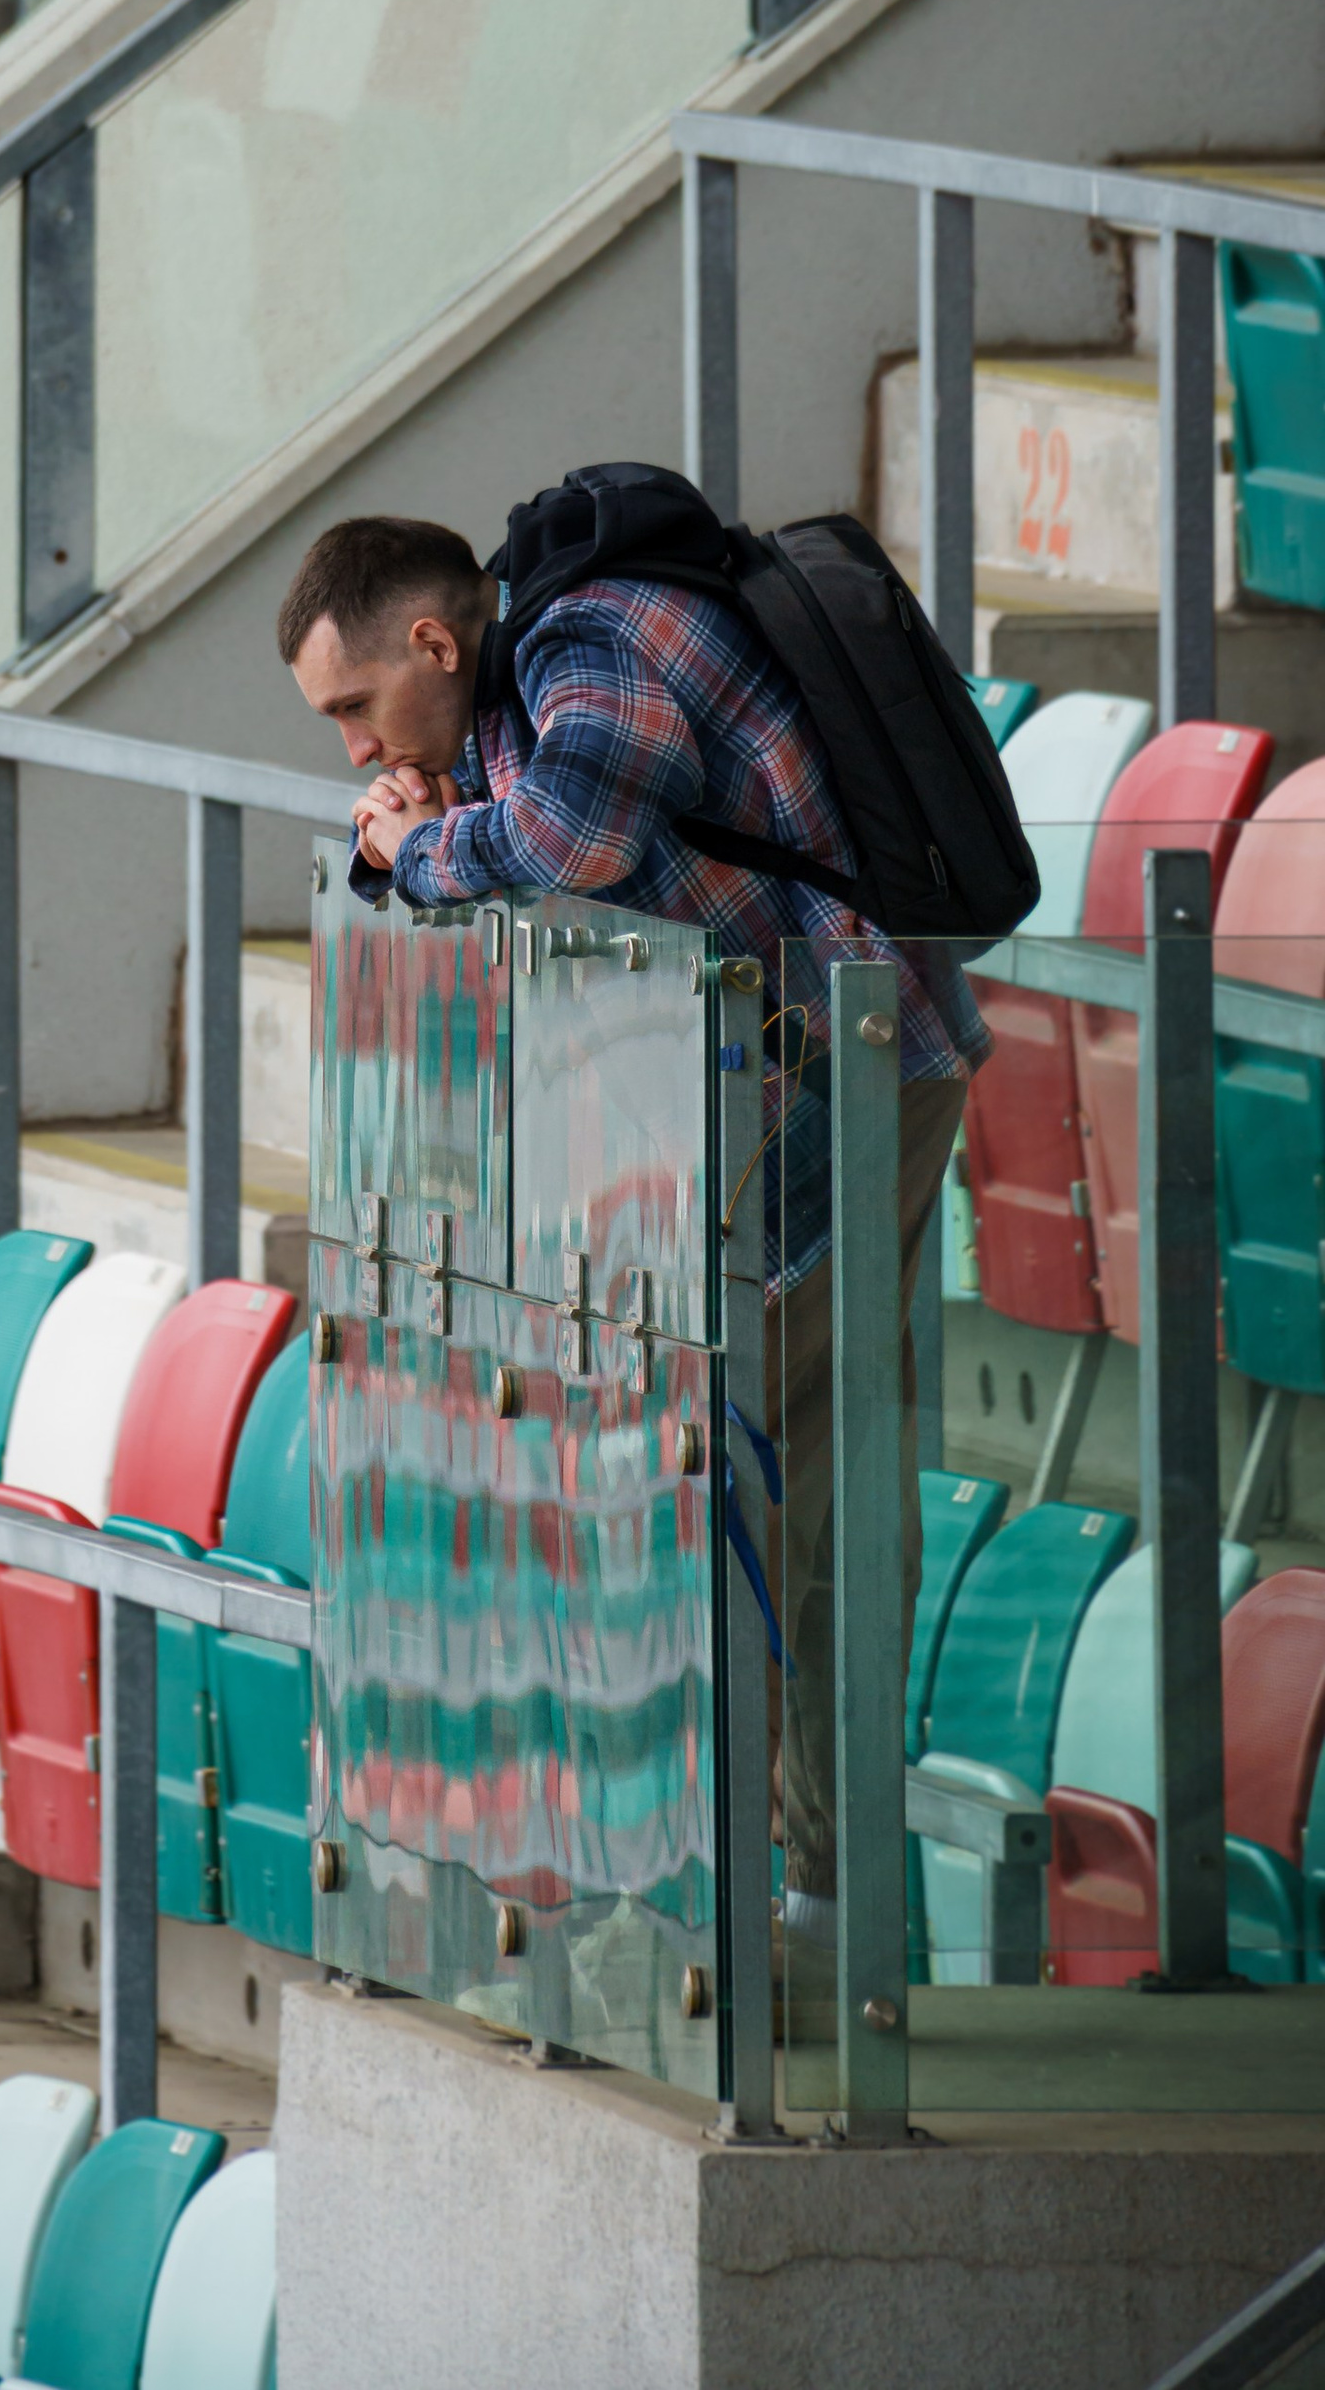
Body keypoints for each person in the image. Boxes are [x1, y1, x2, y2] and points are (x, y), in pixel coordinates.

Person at [276, 506, 989, 1941]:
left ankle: (805, 1903)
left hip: (847, 1069)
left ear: (432, 639)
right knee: (742, 1464)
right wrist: (412, 847)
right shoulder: (501, 693)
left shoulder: (596, 641)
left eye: (357, 707)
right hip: (753, 1093)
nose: (357, 747)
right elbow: (506, 864)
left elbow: (573, 839)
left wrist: (423, 852)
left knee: (776, 1469)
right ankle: (767, 1887)